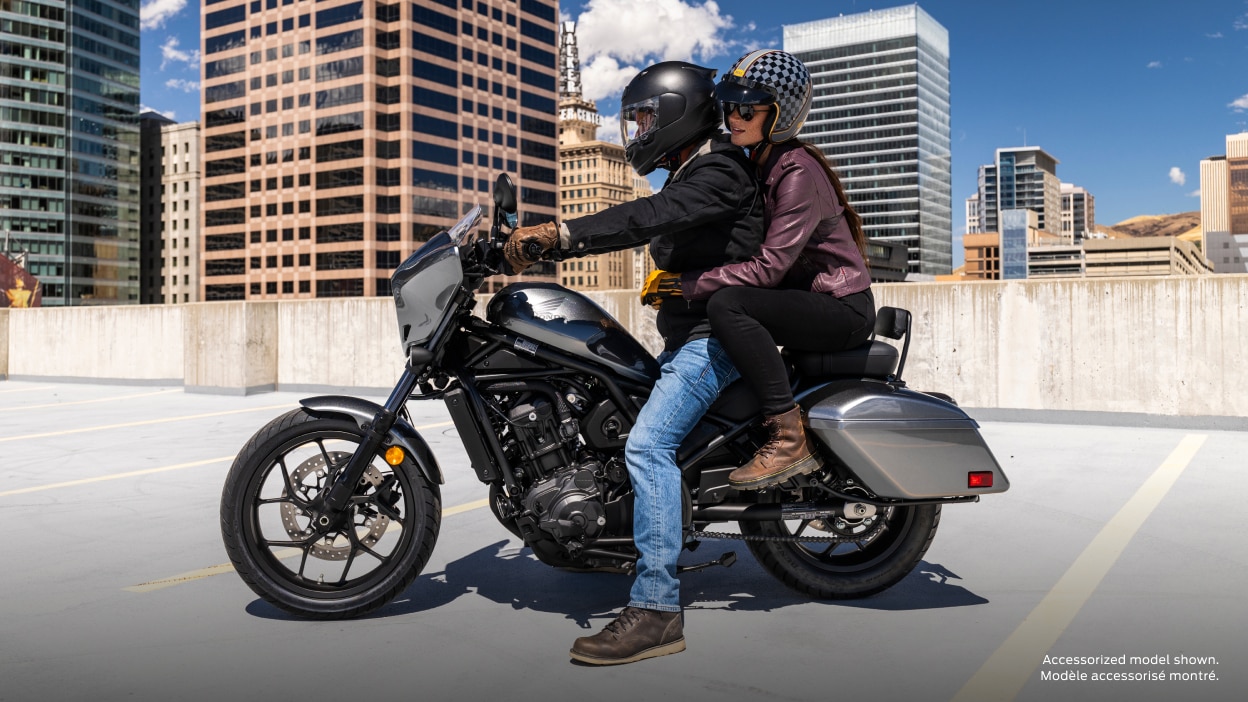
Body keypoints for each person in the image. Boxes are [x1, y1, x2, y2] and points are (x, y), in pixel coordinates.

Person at [503, 61, 764, 665]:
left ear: (676, 113)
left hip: (715, 341)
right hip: (691, 339)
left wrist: (560, 235)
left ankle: (656, 610)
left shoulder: (719, 170)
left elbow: (643, 220)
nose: (638, 129)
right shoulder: (689, 172)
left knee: (647, 447)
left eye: (645, 117)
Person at [659, 49, 877, 490]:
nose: (732, 117)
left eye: (746, 109)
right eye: (728, 106)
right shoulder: (760, 162)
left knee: (729, 303)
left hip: (841, 308)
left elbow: (767, 269)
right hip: (809, 301)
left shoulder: (797, 171)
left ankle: (789, 437)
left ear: (780, 115)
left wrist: (686, 285)